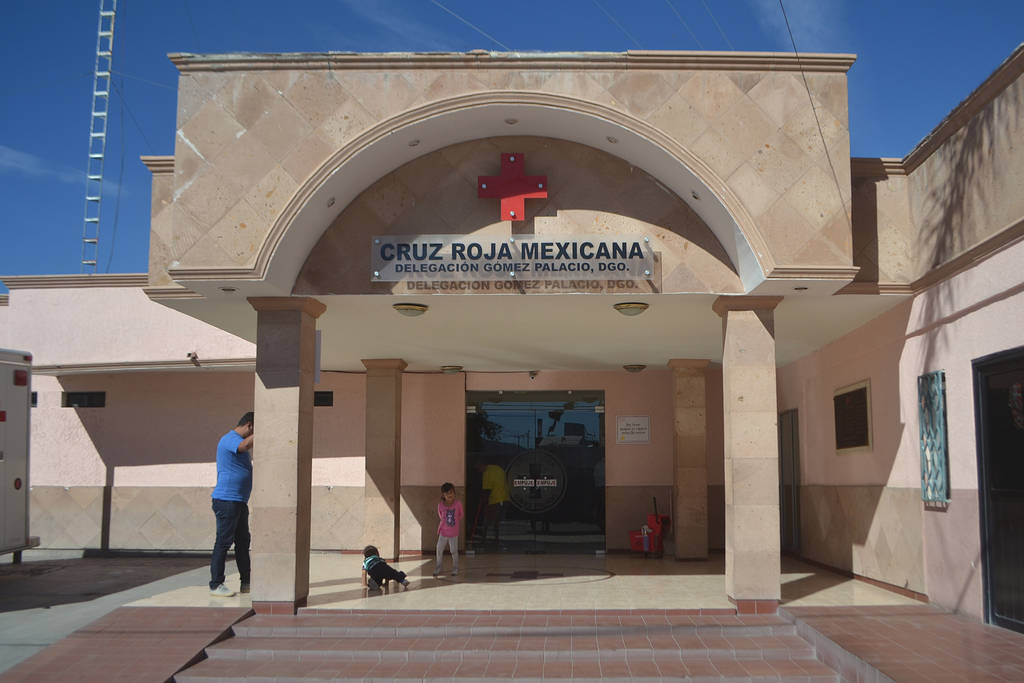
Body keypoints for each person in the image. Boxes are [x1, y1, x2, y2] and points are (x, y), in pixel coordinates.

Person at [209, 411, 254, 597]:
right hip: (227, 500)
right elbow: (245, 445)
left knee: (243, 543)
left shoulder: (237, 441)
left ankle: (246, 583)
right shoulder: (229, 439)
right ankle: (216, 584)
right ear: (249, 425)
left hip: (239, 501)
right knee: (223, 542)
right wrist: (267, 427)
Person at [434, 482, 463, 577]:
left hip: (453, 533)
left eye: (451, 492)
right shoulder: (440, 505)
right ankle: (438, 567)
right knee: (439, 549)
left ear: (454, 493)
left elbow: (460, 515)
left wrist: (454, 524)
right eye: (447, 493)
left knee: (453, 551)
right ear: (443, 495)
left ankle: (455, 568)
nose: (449, 495)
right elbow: (441, 516)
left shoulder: (458, 504)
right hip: (443, 532)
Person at [477, 461, 509, 546]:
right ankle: (496, 539)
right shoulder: (498, 469)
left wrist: (484, 501)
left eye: (479, 469)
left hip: (494, 500)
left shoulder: (486, 472)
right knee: (496, 521)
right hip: (504, 498)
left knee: (487, 520)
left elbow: (487, 489)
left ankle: (484, 540)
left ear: (482, 465)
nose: (479, 471)